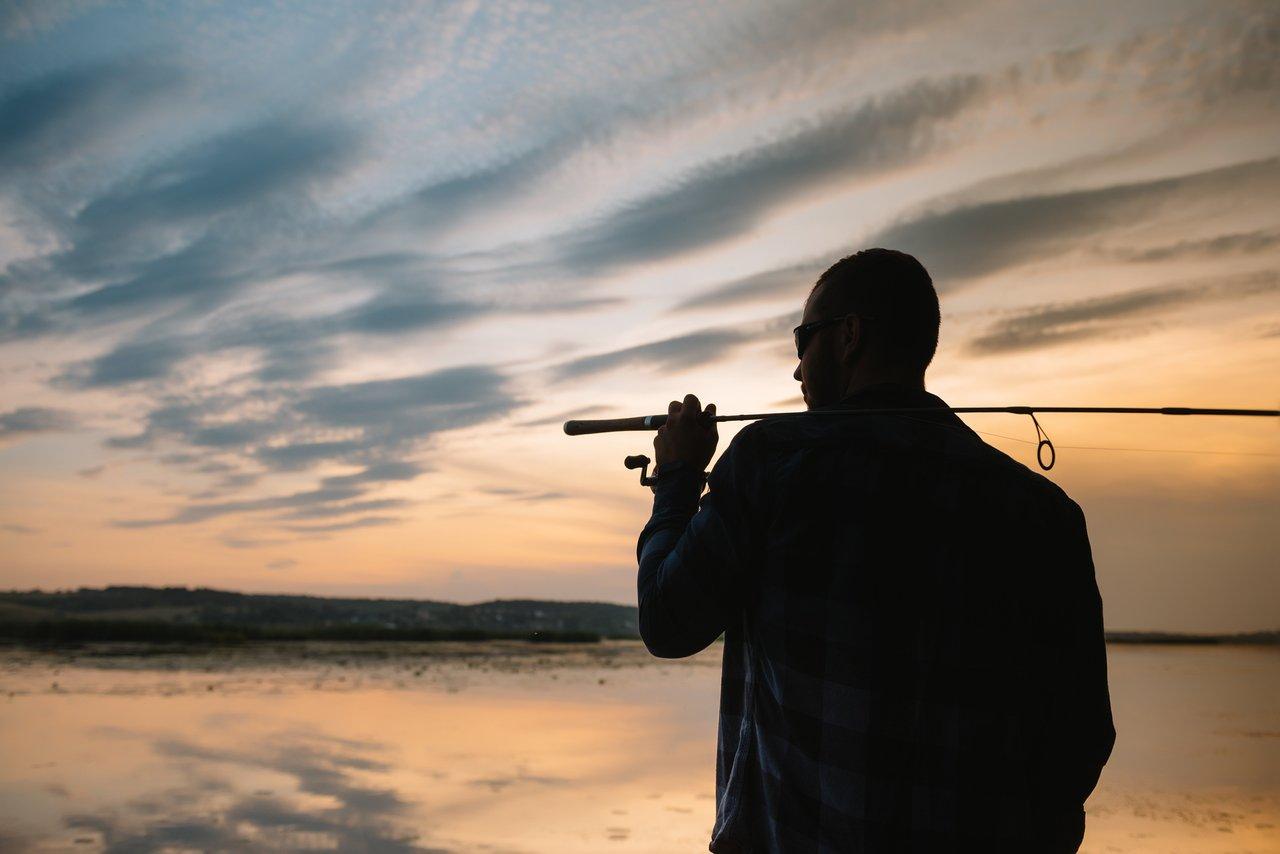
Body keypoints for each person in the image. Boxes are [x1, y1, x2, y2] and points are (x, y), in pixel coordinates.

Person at [636, 248, 1115, 852]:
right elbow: (1081, 737)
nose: (797, 371)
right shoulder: (1046, 513)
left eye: (802, 341)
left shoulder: (772, 462)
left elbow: (667, 621)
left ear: (849, 335)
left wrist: (677, 479)